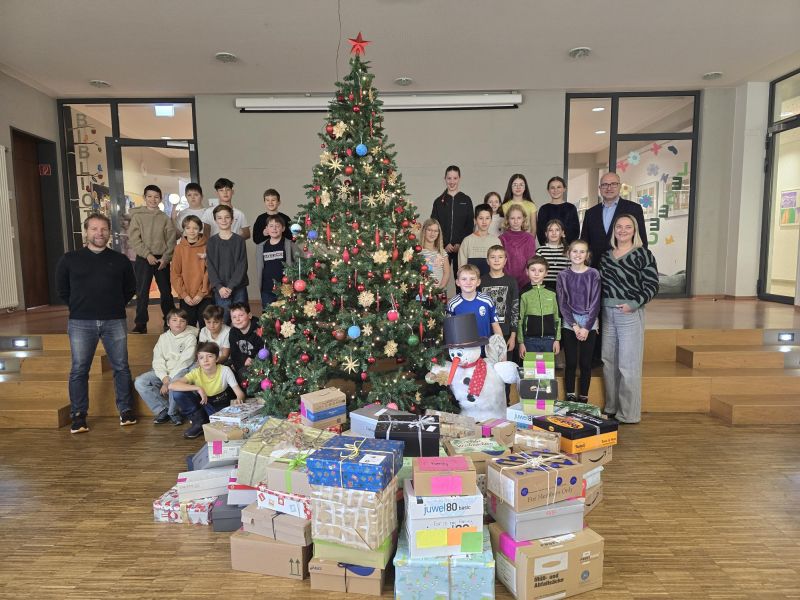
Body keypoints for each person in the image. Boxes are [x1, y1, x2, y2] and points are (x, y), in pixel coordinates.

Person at [55, 212, 137, 433]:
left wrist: (115, 304)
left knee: (121, 367)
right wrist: (78, 306)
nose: (99, 233)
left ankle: (126, 411)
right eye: (94, 229)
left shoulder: (120, 260)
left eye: (103, 229)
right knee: (79, 369)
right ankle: (79, 416)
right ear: (86, 231)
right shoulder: (70, 259)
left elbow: (130, 288)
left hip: (114, 320)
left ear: (109, 232)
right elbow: (63, 290)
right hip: (81, 321)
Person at [599, 214, 659, 424]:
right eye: (619, 227)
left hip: (629, 313)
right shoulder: (606, 256)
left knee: (628, 364)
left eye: (628, 227)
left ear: (635, 231)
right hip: (607, 313)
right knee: (608, 362)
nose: (623, 230)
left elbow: (652, 286)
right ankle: (612, 407)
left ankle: (629, 413)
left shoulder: (643, 255)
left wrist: (633, 304)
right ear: (614, 230)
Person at [133, 308, 198, 426]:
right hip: (164, 373)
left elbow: (184, 362)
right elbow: (158, 360)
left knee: (175, 381)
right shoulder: (163, 338)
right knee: (140, 381)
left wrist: (168, 381)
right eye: (174, 320)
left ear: (186, 323)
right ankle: (163, 409)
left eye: (182, 321)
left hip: (181, 370)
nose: (178, 323)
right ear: (168, 323)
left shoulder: (190, 337)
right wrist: (164, 378)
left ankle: (173, 412)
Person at [169, 342, 246, 439]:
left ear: (217, 358)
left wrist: (239, 399)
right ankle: (198, 422)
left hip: (220, 404)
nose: (205, 360)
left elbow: (239, 393)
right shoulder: (196, 372)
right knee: (178, 393)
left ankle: (205, 422)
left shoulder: (225, 370)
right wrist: (198, 388)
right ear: (198, 361)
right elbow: (172, 385)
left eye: (209, 356)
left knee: (221, 430)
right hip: (203, 403)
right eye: (201, 357)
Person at [557, 240, 601, 404]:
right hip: (570, 322)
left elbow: (596, 302)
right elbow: (562, 303)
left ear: (587, 255)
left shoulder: (594, 274)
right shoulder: (563, 275)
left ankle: (583, 396)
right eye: (574, 251)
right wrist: (575, 326)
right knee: (571, 361)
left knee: (585, 362)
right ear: (568, 253)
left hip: (589, 321)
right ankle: (569, 394)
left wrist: (587, 327)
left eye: (582, 251)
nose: (578, 254)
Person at [129, 185, 177, 333]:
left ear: (160, 199)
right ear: (144, 198)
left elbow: (171, 239)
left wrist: (166, 257)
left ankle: (169, 321)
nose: (152, 199)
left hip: (162, 259)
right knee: (142, 292)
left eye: (156, 197)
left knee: (166, 292)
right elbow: (134, 239)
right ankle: (141, 323)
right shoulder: (137, 216)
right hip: (144, 258)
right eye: (149, 196)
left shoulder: (164, 218)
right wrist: (147, 255)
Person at [580, 172, 647, 268]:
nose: (609, 188)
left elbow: (642, 240)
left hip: (624, 268)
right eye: (605, 185)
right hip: (595, 268)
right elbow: (584, 242)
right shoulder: (590, 213)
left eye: (613, 184)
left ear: (620, 186)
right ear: (600, 188)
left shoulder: (634, 209)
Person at [206, 204, 248, 323]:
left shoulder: (239, 240)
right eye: (219, 218)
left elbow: (242, 265)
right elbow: (211, 267)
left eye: (227, 217)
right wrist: (219, 287)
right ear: (215, 220)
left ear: (232, 219)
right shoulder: (211, 242)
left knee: (241, 319)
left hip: (238, 287)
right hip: (221, 290)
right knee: (223, 320)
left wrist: (231, 286)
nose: (223, 220)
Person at [170, 215, 211, 327]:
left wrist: (201, 293)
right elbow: (175, 274)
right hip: (186, 297)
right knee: (188, 328)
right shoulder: (179, 248)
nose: (191, 231)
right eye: (188, 228)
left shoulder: (208, 246)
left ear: (200, 229)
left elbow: (210, 272)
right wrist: (184, 295)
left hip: (205, 295)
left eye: (195, 228)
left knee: (205, 328)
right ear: (184, 229)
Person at [430, 165, 473, 272]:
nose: (452, 181)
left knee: (462, 278)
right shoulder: (438, 202)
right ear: (445, 179)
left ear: (459, 179)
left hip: (461, 248)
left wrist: (460, 243)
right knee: (439, 279)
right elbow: (434, 225)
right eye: (449, 178)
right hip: (443, 248)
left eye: (455, 178)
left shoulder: (466, 200)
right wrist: (444, 243)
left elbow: (469, 225)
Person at [518, 256, 561, 359]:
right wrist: (521, 342)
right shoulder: (524, 294)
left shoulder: (552, 293)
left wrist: (557, 339)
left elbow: (557, 317)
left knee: (546, 373)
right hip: (530, 341)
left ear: (546, 273)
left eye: (540, 271)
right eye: (533, 270)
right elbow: (520, 319)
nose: (536, 274)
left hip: (549, 340)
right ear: (527, 272)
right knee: (532, 373)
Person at [479, 245, 518, 357]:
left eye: (500, 257)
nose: (496, 260)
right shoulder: (480, 281)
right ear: (487, 260)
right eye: (493, 257)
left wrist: (513, 335)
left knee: (504, 368)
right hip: (485, 333)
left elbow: (515, 309)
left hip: (506, 333)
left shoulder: (511, 282)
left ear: (505, 260)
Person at [446, 264, 503, 342]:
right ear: (458, 282)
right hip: (464, 351)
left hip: (486, 350)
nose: (468, 282)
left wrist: (501, 348)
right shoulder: (452, 304)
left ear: (478, 282)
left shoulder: (487, 301)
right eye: (464, 279)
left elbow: (495, 325)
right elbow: (451, 331)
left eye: (472, 279)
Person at [255, 215, 300, 307]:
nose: (274, 229)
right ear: (267, 228)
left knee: (287, 318)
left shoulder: (289, 244)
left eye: (277, 226)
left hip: (286, 289)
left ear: (283, 228)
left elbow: (300, 262)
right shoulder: (261, 247)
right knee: (268, 318)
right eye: (271, 226)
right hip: (267, 289)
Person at [457, 203, 501, 276]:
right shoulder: (467, 241)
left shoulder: (496, 241)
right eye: (481, 218)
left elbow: (499, 265)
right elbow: (462, 268)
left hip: (490, 284)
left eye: (487, 218)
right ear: (475, 220)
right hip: (471, 284)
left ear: (491, 220)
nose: (484, 222)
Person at [499, 204, 537, 290]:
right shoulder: (502, 238)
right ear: (508, 220)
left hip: (526, 281)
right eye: (512, 218)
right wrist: (508, 278)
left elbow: (531, 261)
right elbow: (501, 261)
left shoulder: (529, 238)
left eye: (519, 218)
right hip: (506, 280)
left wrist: (525, 277)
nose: (516, 221)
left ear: (523, 219)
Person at [536, 176, 580, 246]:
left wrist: (567, 248)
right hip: (548, 250)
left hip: (567, 250)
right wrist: (548, 247)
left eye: (559, 187)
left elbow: (575, 232)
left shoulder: (571, 208)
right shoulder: (543, 209)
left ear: (564, 189)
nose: (555, 190)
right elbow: (540, 232)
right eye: (552, 188)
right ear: (548, 190)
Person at [229, 302, 264, 386]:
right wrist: (243, 361)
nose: (237, 319)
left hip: (258, 362)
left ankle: (251, 393)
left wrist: (253, 360)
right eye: (234, 317)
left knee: (244, 373)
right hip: (242, 361)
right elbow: (234, 353)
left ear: (249, 316)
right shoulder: (233, 332)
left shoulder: (258, 329)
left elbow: (262, 348)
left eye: (241, 315)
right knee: (227, 368)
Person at [535, 219, 571, 292]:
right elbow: (536, 272)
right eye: (550, 230)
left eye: (557, 230)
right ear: (546, 234)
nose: (554, 233)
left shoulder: (568, 251)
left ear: (562, 233)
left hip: (563, 288)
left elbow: (571, 272)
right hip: (544, 288)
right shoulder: (540, 251)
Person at [420, 218, 451, 293]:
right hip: (421, 293)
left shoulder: (442, 252)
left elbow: (447, 273)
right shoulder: (418, 251)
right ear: (424, 231)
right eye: (429, 230)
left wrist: (439, 289)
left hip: (438, 293)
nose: (432, 233)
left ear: (438, 233)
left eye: (435, 231)